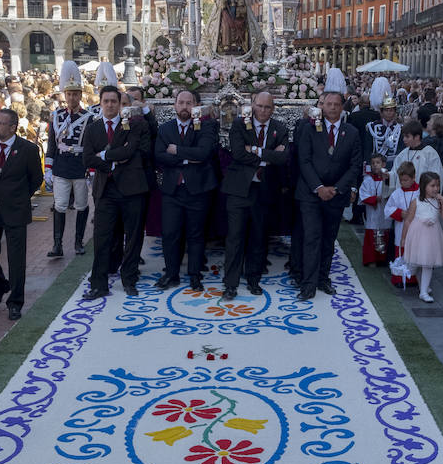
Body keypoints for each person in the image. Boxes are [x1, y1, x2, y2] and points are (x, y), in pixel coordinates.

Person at [294, 76, 363, 301]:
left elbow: (355, 165)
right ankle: (308, 283)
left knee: (328, 239)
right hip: (311, 194)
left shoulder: (351, 132)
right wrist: (319, 187)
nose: (332, 108)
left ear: (342, 107)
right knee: (311, 237)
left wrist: (336, 188)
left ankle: (323, 278)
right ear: (321, 106)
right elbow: (303, 161)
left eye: (336, 105)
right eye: (328, 104)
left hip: (335, 195)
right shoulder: (309, 128)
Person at [81, 86, 151, 299]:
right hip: (106, 191)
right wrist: (113, 162)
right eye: (107, 101)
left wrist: (105, 155)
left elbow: (138, 153)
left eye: (115, 101)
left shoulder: (133, 125)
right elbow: (88, 159)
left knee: (133, 236)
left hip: (133, 189)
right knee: (102, 239)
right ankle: (98, 284)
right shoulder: (92, 129)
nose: (110, 105)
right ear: (100, 103)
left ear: (121, 104)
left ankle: (129, 279)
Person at [0, 107, 43, 320]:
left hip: (15, 210)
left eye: (1, 123)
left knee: (16, 258)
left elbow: (36, 178)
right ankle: (0, 286)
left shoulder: (28, 149)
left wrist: (21, 197)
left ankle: (15, 302)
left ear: (13, 127)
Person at [221, 91, 289, 299]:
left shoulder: (280, 128)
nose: (263, 111)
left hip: (264, 191)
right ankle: (230, 283)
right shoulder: (240, 125)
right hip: (239, 191)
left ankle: (253, 280)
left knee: (259, 238)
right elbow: (238, 154)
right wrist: (268, 155)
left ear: (273, 109)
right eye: (259, 106)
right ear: (252, 105)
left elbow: (282, 158)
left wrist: (256, 151)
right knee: (235, 238)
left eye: (267, 107)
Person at [154, 89, 219, 292]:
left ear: (196, 105)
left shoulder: (206, 126)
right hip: (173, 191)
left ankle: (195, 275)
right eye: (181, 102)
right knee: (170, 234)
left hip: (198, 189)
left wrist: (177, 151)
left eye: (189, 103)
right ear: (174, 105)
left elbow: (204, 153)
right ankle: (171, 274)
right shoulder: (165, 129)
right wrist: (188, 158)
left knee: (196, 234)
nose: (184, 107)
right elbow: (159, 155)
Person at [44, 62, 93, 259]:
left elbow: (91, 146)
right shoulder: (56, 116)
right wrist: (48, 168)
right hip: (61, 167)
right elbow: (51, 145)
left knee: (81, 204)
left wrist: (91, 170)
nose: (72, 97)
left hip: (80, 166)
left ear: (80, 95)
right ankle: (58, 245)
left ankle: (78, 242)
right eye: (69, 94)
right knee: (60, 205)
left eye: (75, 94)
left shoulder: (89, 117)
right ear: (65, 95)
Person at [401, 171, 443, 304]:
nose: (436, 188)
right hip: (418, 235)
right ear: (424, 187)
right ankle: (423, 286)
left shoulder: (438, 202)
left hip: (432, 236)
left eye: (437, 185)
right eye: (432, 185)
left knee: (428, 263)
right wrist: (404, 238)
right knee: (418, 263)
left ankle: (423, 291)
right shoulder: (415, 202)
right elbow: (408, 220)